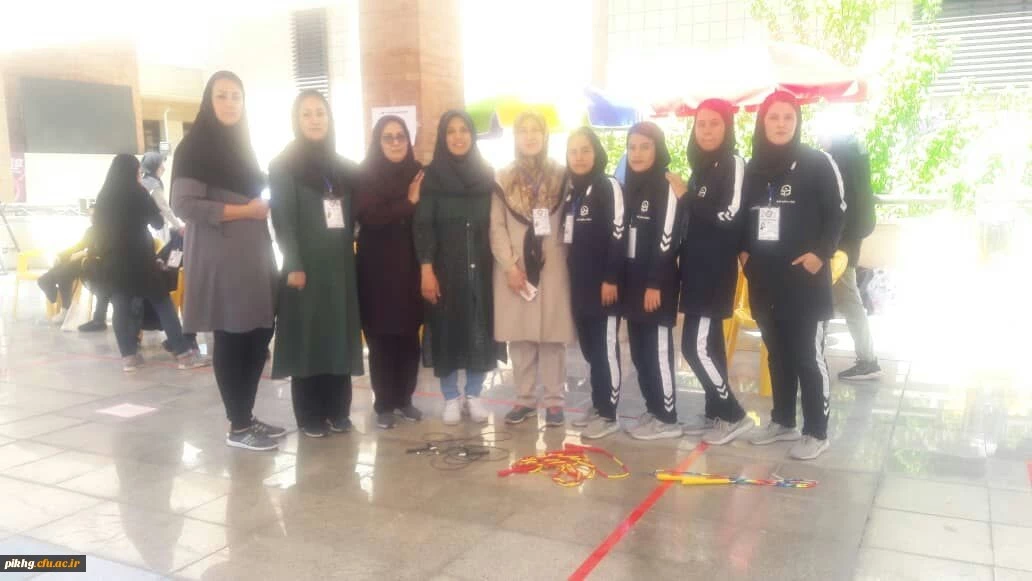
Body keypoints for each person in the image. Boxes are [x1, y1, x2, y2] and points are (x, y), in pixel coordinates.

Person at [171, 71, 283, 452]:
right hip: (221, 256)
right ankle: (238, 425)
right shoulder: (194, 147)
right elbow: (183, 204)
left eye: (236, 96)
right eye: (222, 95)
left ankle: (246, 414)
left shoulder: (241, 147)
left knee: (258, 333)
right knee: (233, 335)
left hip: (253, 254)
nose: (230, 103)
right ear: (209, 101)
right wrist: (244, 211)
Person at [741, 91, 846, 460]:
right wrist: (745, 256)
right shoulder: (753, 168)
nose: (781, 124)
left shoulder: (817, 162)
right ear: (762, 122)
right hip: (764, 278)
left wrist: (821, 254)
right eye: (773, 117)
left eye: (788, 117)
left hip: (805, 280)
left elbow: (838, 213)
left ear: (798, 122)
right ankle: (783, 421)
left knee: (807, 356)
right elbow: (743, 217)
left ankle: (816, 432)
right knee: (777, 354)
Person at [270, 90, 364, 438]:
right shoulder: (283, 165)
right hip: (305, 267)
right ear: (296, 120)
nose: (314, 120)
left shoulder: (342, 167)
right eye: (307, 114)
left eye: (320, 113)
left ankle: (338, 411)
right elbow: (282, 219)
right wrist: (293, 263)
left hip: (339, 266)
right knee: (308, 338)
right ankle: (309, 414)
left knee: (337, 335)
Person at [668, 99, 754, 445]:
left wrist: (686, 196)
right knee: (711, 345)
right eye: (701, 124)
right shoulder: (702, 168)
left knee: (694, 348)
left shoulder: (733, 163)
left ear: (727, 127)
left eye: (714, 123)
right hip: (694, 268)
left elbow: (729, 216)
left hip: (714, 270)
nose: (706, 131)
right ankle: (716, 412)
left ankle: (733, 413)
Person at [414, 110, 504, 426]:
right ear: (443, 137)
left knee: (480, 330)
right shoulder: (432, 177)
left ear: (472, 135)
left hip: (482, 269)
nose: (458, 137)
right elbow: (423, 225)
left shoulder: (487, 175)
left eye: (463, 130)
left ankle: (474, 395)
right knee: (446, 331)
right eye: (450, 131)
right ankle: (451, 397)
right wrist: (426, 269)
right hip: (445, 270)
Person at [90, 154, 209, 373]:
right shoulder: (138, 193)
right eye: (138, 172)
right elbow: (157, 222)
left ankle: (129, 357)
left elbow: (96, 228)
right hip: (140, 259)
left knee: (121, 307)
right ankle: (183, 354)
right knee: (162, 303)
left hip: (113, 262)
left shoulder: (103, 196)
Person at [492, 111, 574, 427]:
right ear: (515, 137)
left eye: (535, 130)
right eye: (523, 130)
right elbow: (496, 227)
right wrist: (509, 266)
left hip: (554, 265)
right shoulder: (502, 178)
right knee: (521, 337)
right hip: (517, 268)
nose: (529, 136)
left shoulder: (562, 175)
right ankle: (524, 400)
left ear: (545, 135)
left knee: (553, 336)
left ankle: (554, 402)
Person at [355, 115, 424, 430]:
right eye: (388, 137)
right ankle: (383, 403)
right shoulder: (365, 175)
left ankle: (405, 399)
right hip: (377, 271)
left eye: (401, 136)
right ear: (377, 142)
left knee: (409, 337)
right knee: (381, 339)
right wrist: (408, 202)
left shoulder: (418, 172)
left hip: (411, 267)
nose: (396, 142)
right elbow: (370, 216)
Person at [563, 127, 627, 440]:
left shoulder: (608, 186)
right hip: (580, 287)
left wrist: (611, 278)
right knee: (590, 350)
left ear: (596, 152)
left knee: (605, 350)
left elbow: (619, 233)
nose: (579, 157)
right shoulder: (572, 192)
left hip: (605, 287)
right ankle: (599, 402)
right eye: (573, 151)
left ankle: (609, 414)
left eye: (585, 150)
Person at [621, 122, 682, 440]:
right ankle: (653, 407)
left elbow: (667, 238)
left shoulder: (665, 184)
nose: (638, 153)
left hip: (656, 286)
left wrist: (655, 283)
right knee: (640, 353)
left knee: (658, 353)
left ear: (657, 149)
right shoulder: (628, 186)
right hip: (632, 286)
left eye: (645, 147)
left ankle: (668, 419)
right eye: (632, 147)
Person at [821, 133, 881, 381]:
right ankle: (863, 359)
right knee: (836, 299)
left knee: (846, 300)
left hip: (839, 247)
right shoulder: (854, 160)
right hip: (848, 244)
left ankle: (868, 361)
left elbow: (836, 208)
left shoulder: (839, 162)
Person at [141, 152, 185, 244]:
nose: (164, 169)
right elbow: (164, 208)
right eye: (161, 166)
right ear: (154, 168)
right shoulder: (153, 185)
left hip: (148, 227)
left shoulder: (143, 181)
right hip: (157, 228)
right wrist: (178, 226)